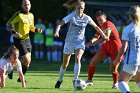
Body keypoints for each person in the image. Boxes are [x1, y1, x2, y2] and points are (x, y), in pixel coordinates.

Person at [54, 0, 108, 89]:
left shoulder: (87, 18)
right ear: (75, 7)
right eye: (78, 8)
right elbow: (60, 23)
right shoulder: (72, 15)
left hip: (80, 42)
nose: (80, 10)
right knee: (65, 64)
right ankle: (60, 79)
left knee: (78, 58)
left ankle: (75, 80)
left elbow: (96, 27)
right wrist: (56, 31)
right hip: (69, 42)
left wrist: (103, 35)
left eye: (82, 8)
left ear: (84, 8)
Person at [6, 0, 42, 82]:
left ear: (30, 6)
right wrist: (14, 32)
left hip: (27, 40)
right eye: (25, 5)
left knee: (28, 62)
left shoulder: (31, 15)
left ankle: (19, 78)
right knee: (26, 59)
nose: (27, 6)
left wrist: (37, 30)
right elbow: (8, 24)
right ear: (22, 6)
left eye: (28, 5)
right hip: (18, 39)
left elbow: (31, 27)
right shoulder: (18, 14)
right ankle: (10, 68)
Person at [86, 11, 123, 89]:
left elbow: (105, 37)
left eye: (101, 20)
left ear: (105, 18)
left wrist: (93, 44)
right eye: (98, 20)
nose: (99, 22)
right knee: (93, 61)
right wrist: (90, 42)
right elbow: (96, 36)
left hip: (116, 49)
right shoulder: (100, 26)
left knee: (113, 68)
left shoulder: (108, 24)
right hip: (105, 48)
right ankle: (89, 80)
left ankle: (116, 83)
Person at [113, 5, 140, 93]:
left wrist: (117, 59)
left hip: (132, 59)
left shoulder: (128, 29)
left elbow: (124, 47)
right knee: (138, 80)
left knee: (122, 82)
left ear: (129, 15)